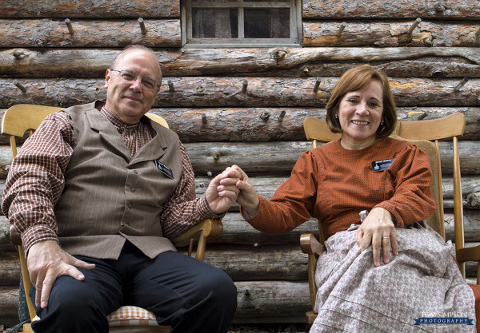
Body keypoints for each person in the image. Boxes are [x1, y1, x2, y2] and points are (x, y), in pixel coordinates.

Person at [2, 45, 238, 333]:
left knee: (216, 290)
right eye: (128, 75)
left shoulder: (171, 142)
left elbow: (172, 222)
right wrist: (40, 240)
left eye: (148, 82)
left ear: (155, 93)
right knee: (71, 305)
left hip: (151, 261)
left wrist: (207, 206)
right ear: (108, 78)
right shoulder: (66, 123)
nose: (137, 86)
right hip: (80, 257)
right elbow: (29, 178)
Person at [229, 65, 475, 332]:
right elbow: (285, 213)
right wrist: (253, 202)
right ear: (337, 108)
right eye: (354, 100)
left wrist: (386, 211)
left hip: (405, 242)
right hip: (348, 251)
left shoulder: (406, 153)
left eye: (373, 103)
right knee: (369, 269)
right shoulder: (315, 162)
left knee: (378, 273)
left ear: (383, 114)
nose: (362, 110)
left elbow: (416, 195)